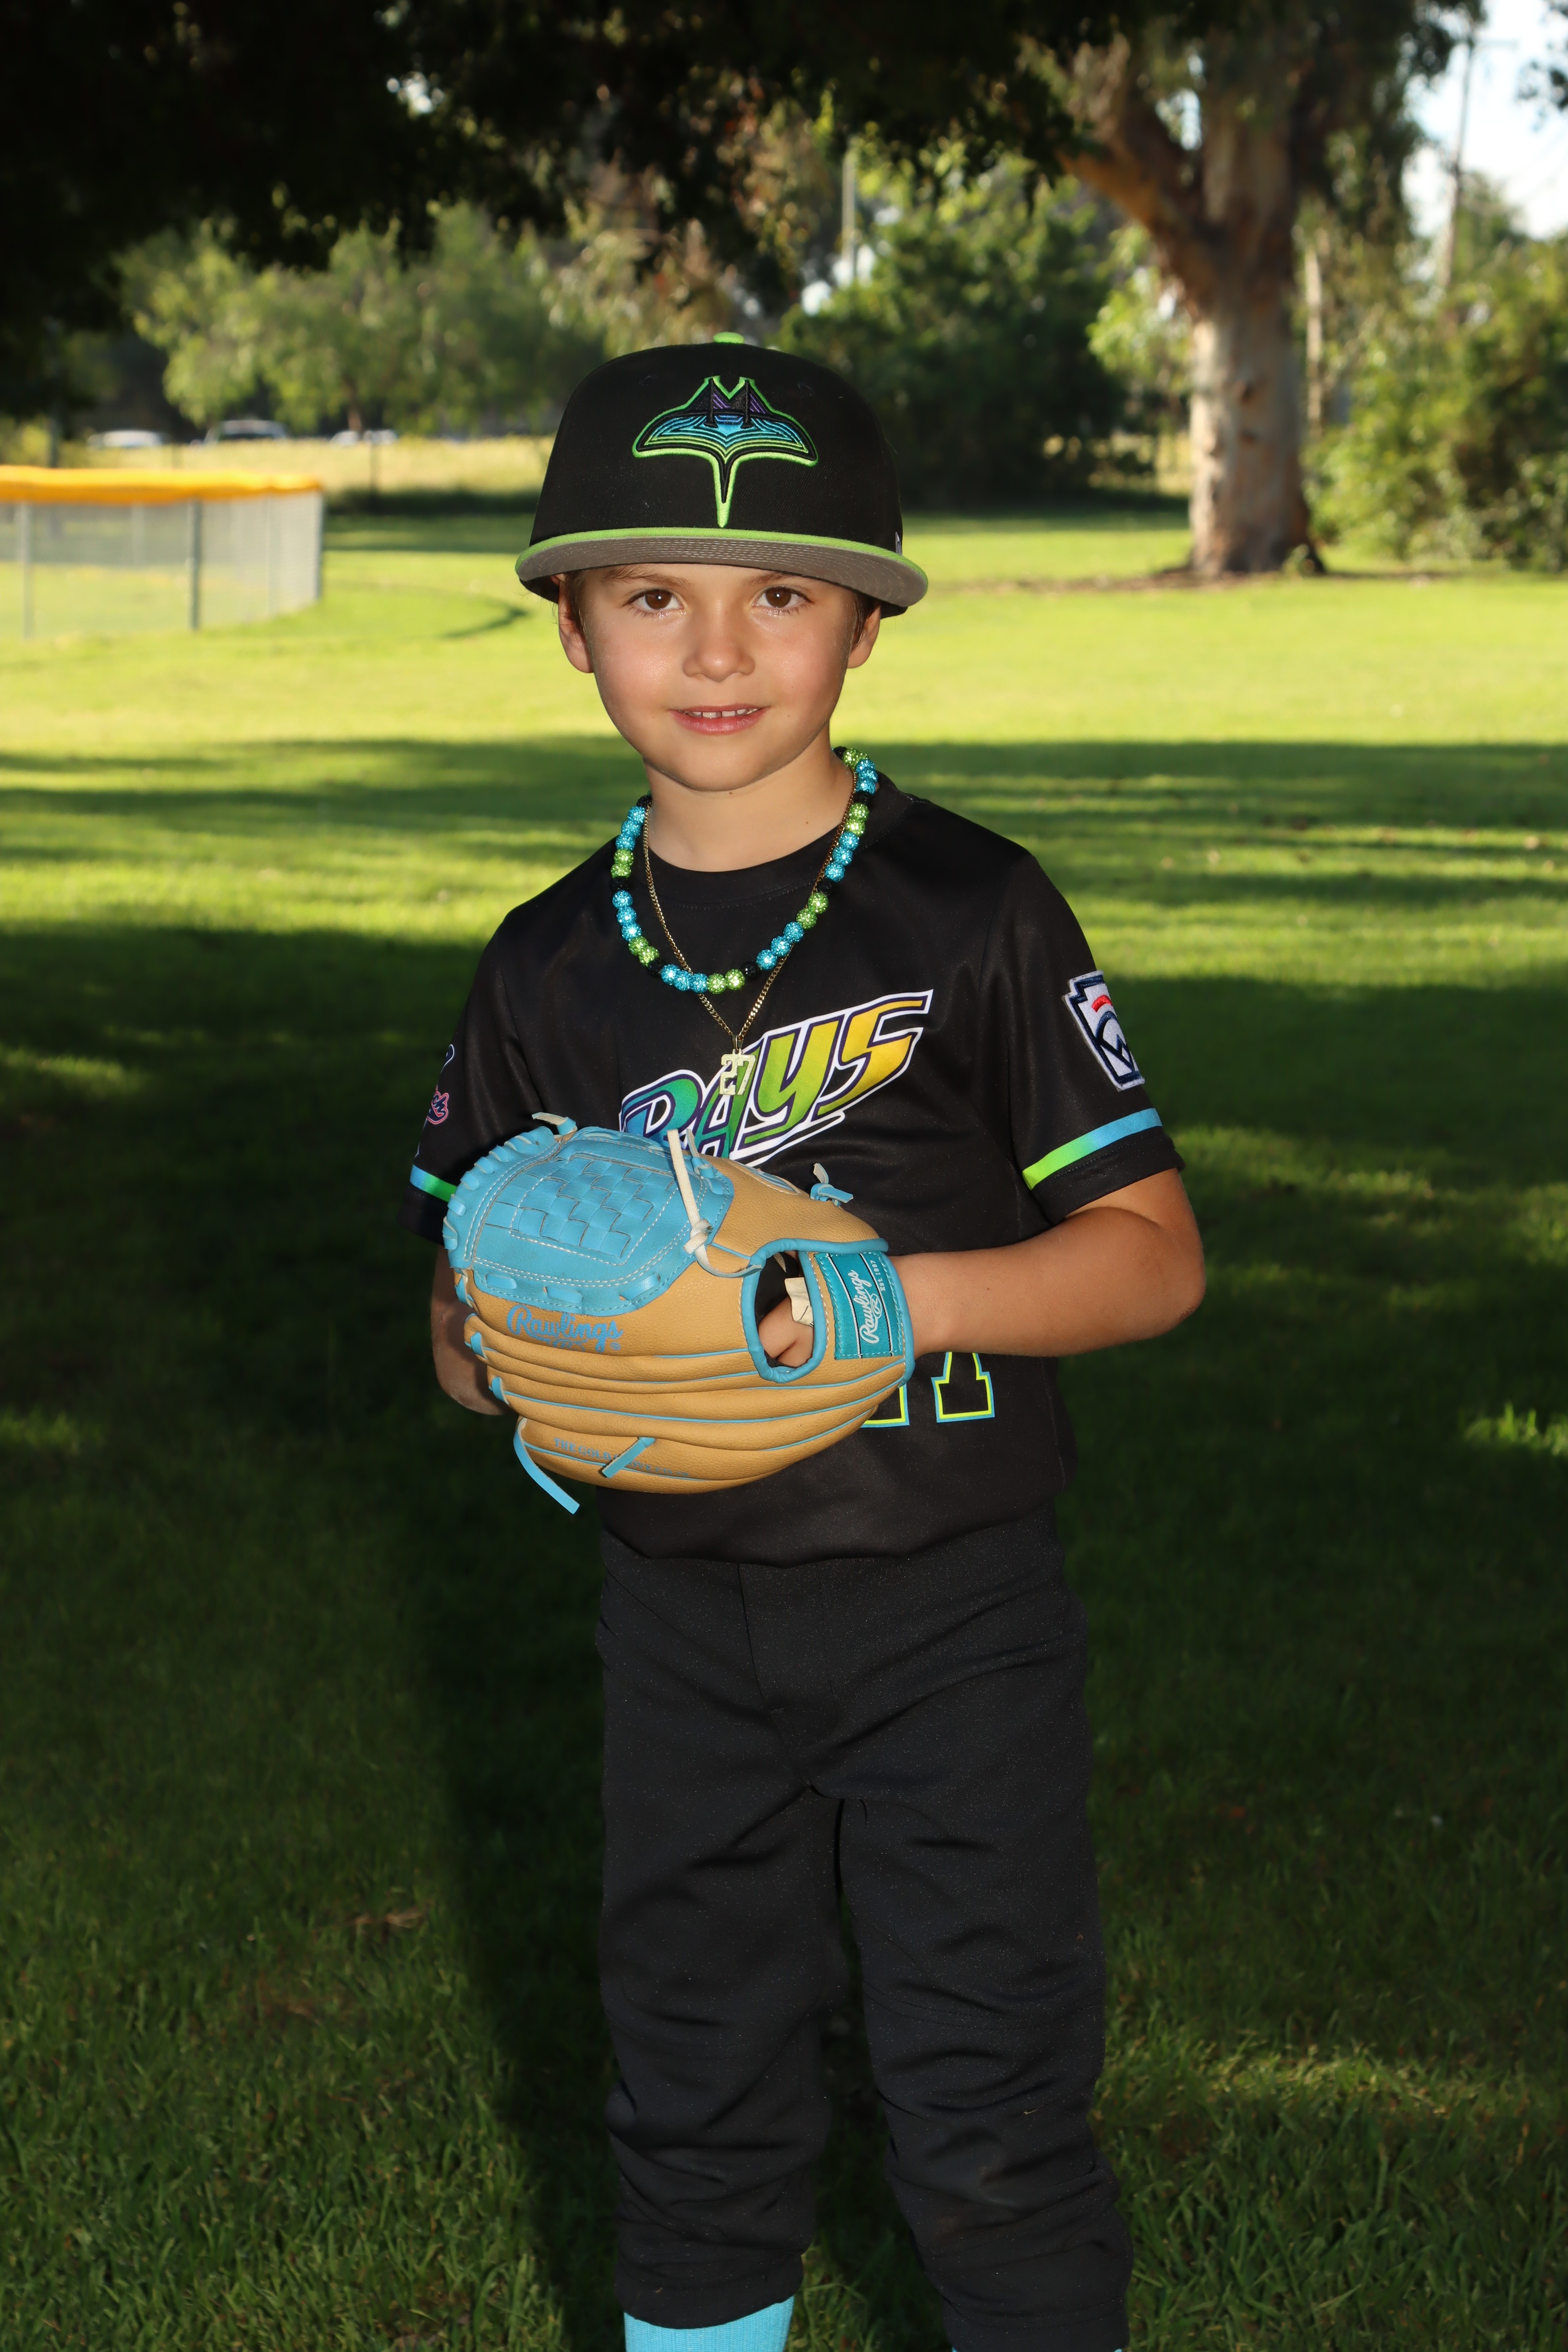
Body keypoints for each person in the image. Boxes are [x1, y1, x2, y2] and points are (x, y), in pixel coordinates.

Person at [399, 340, 1204, 2352]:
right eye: (650, 592)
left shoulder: (970, 911)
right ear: (570, 624)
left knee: (985, 2108)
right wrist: (510, 1350)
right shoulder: (547, 965)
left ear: (864, 626)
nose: (716, 647)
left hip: (951, 1609)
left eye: (779, 591)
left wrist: (899, 1299)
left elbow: (1148, 1260)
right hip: (678, 1622)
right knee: (690, 2091)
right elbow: (457, 1319)